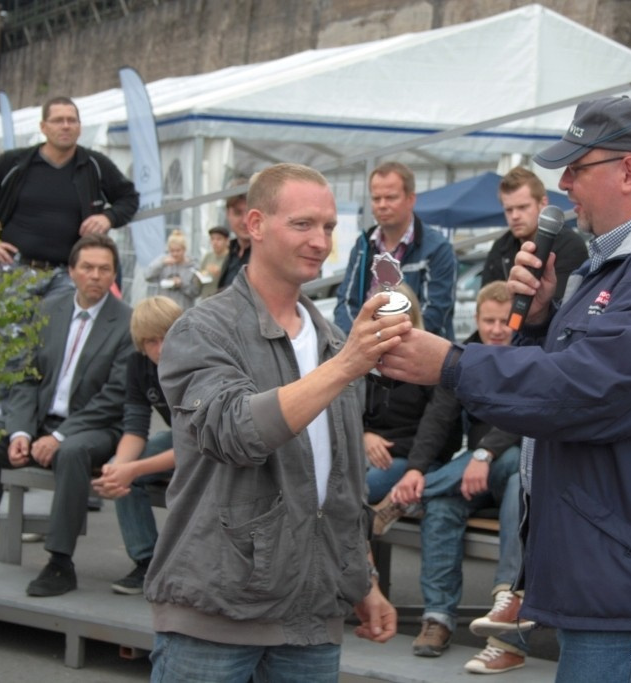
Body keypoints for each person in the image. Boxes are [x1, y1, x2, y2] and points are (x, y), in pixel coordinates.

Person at [379, 96, 631, 682]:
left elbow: (592, 391)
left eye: (577, 168)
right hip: (624, 560)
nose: (563, 185)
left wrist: (453, 364)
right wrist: (539, 321)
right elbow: (587, 375)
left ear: (629, 171)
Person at [145, 164, 401, 682]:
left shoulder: (333, 342)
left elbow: (342, 486)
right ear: (255, 224)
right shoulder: (203, 330)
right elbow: (234, 432)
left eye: (328, 227)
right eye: (302, 224)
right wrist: (344, 367)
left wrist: (363, 582)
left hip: (312, 619)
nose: (320, 241)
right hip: (214, 614)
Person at [0, 234, 133, 597]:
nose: (95, 275)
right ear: (71, 271)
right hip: (38, 420)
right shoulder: (48, 311)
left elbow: (115, 396)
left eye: (104, 269)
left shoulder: (126, 323)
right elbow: (24, 376)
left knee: (72, 452)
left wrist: (58, 436)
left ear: (114, 274)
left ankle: (60, 562)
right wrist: (20, 432)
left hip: (93, 427)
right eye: (87, 267)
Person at [380, 282, 523, 667]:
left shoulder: (531, 353)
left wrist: (485, 452)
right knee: (443, 506)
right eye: (489, 321)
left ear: (517, 319)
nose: (497, 329)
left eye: (505, 321)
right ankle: (438, 617)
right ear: (476, 319)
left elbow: (528, 415)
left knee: (514, 465)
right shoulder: (464, 358)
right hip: (473, 476)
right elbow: (438, 418)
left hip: (518, 468)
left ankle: (405, 499)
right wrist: (415, 468)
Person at [0, 96, 138, 298]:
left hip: (69, 275)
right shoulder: (15, 164)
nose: (66, 126)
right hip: (15, 271)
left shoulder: (94, 166)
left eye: (71, 120)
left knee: (63, 320)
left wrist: (108, 217)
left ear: (80, 127)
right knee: (7, 321)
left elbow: (129, 198)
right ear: (43, 127)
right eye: (58, 120)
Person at [91, 296, 182, 595]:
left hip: (216, 443)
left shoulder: (198, 363)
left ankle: (193, 566)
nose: (161, 348)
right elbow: (135, 428)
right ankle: (146, 561)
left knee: (136, 471)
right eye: (152, 341)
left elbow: (195, 445)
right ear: (141, 344)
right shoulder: (138, 364)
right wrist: (119, 467)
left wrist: (135, 468)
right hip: (180, 437)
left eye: (167, 337)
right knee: (120, 471)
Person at [334, 161, 458, 339]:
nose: (382, 205)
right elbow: (345, 302)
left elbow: (434, 314)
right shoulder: (363, 245)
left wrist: (387, 341)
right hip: (367, 348)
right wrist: (358, 340)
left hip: (417, 350)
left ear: (411, 199)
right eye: (376, 199)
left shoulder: (437, 248)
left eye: (390, 198)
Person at [363, 283, 461, 505]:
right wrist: (364, 436)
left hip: (416, 459)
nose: (389, 328)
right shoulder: (367, 363)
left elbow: (439, 423)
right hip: (369, 454)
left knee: (359, 487)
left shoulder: (434, 363)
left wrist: (415, 467)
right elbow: (347, 412)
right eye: (382, 320)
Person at [480, 167, 586, 304]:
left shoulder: (570, 245)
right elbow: (486, 303)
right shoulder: (500, 247)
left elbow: (564, 306)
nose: (515, 216)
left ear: (543, 203)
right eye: (509, 210)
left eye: (522, 207)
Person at [143, 230, 201, 310]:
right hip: (164, 309)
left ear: (184, 250)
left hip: (183, 310)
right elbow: (147, 276)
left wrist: (181, 284)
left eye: (178, 251)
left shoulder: (192, 266)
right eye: (172, 251)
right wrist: (162, 264)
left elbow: (196, 292)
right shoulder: (163, 261)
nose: (175, 254)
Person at [215, 178, 250, 291]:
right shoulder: (233, 251)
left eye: (250, 212)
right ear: (227, 214)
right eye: (238, 213)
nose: (245, 221)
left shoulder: (268, 256)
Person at [197, 225, 229, 299]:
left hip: (222, 299)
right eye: (212, 239)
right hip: (206, 298)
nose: (215, 242)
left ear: (227, 241)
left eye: (219, 239)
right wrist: (200, 275)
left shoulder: (230, 258)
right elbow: (198, 283)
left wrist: (220, 273)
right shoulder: (208, 256)